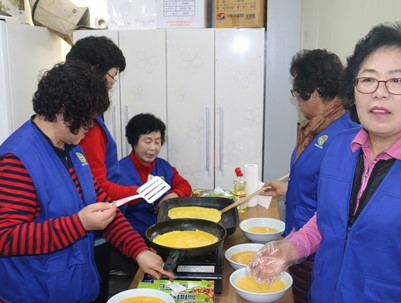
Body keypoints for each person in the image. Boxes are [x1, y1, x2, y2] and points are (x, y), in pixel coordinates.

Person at [248, 22, 401, 302]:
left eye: (396, 80)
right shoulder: (339, 147)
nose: (380, 91)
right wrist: (290, 248)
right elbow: (329, 219)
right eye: (368, 79)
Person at [0, 61, 174, 303]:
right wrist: (79, 224)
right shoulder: (17, 159)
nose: (91, 128)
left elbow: (104, 207)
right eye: (87, 120)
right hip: (37, 293)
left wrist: (139, 251)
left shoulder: (73, 149)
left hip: (77, 287)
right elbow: (6, 237)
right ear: (63, 112)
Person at [261, 49, 359, 303]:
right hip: (297, 244)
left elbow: (338, 204)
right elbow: (320, 184)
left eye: (297, 95)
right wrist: (288, 188)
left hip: (313, 253)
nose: (297, 101)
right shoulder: (316, 128)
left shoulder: (343, 135)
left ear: (315, 92)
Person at [66, 36, 143, 301]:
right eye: (112, 76)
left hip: (97, 227)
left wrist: (140, 251)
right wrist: (139, 192)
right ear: (95, 72)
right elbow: (95, 193)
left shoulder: (82, 126)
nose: (112, 85)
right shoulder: (80, 130)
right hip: (90, 234)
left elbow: (96, 189)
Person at [119, 113, 192, 237]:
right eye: (147, 142)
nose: (153, 148)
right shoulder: (119, 171)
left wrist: (173, 195)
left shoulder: (163, 166)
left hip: (165, 234)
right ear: (134, 141)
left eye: (157, 142)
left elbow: (185, 185)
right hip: (133, 239)